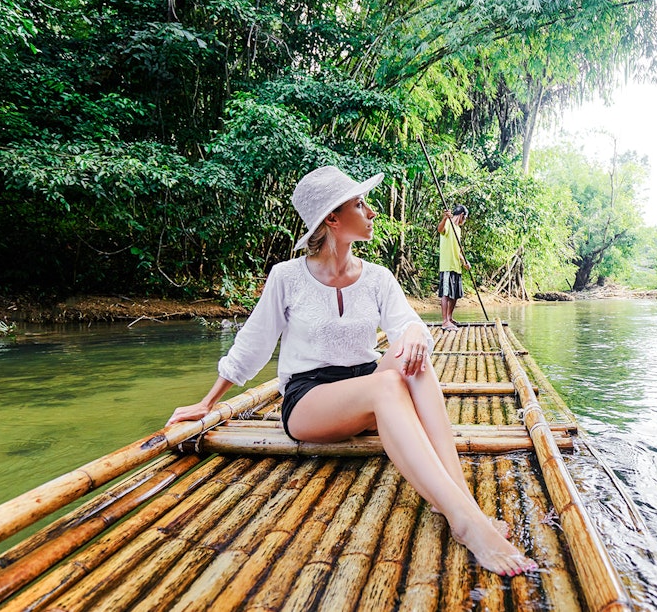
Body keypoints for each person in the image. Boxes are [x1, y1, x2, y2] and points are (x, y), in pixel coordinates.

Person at [167, 166, 536, 577]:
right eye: (360, 204)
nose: (373, 212)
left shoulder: (377, 277)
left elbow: (408, 323)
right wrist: (208, 402)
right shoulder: (286, 277)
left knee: (412, 362)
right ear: (332, 219)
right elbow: (253, 343)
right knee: (388, 385)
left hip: (366, 383)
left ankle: (458, 500)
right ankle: (466, 520)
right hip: (311, 400)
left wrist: (414, 334)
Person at [438, 204, 470, 332]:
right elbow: (440, 230)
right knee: (446, 293)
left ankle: (450, 318)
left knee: (455, 294)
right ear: (462, 215)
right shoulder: (449, 223)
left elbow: (457, 249)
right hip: (447, 264)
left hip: (456, 265)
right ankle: (445, 321)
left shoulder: (458, 229)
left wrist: (464, 261)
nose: (464, 221)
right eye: (465, 218)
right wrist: (445, 218)